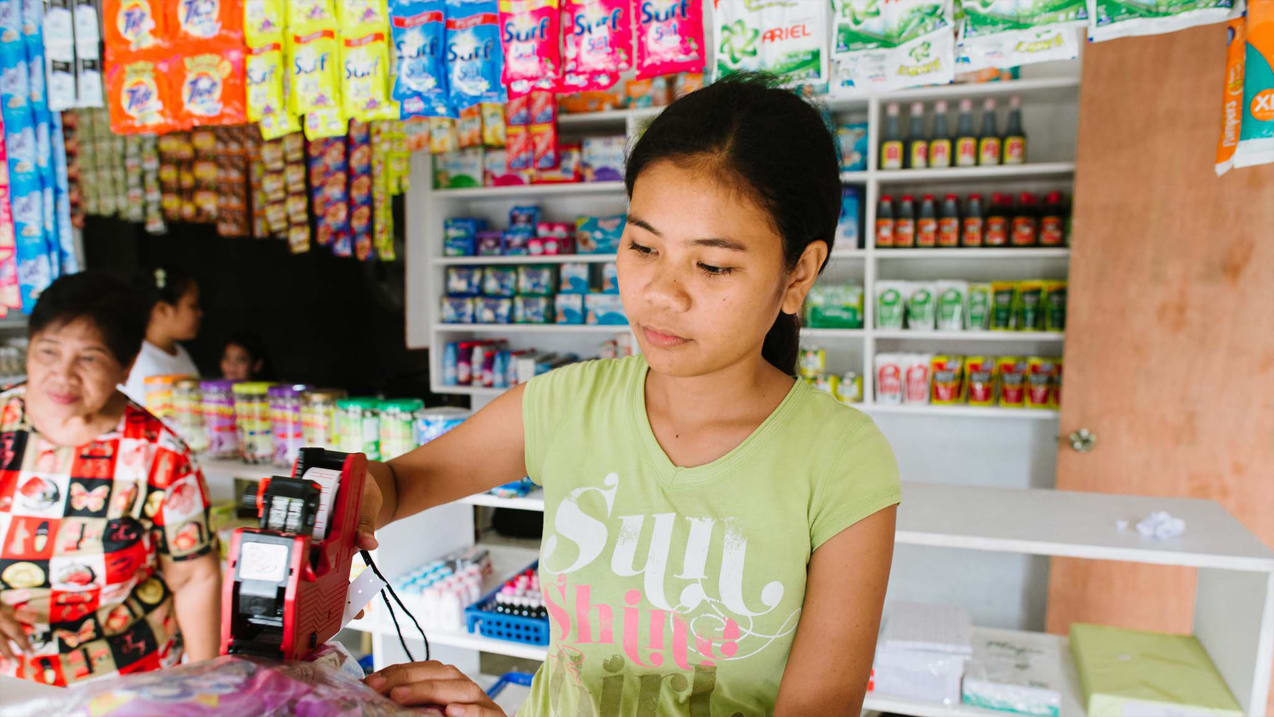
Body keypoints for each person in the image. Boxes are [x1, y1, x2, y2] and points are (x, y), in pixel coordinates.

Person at [357, 74, 901, 716]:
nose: (662, 293)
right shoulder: (565, 406)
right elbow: (401, 484)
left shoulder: (841, 460)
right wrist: (351, 502)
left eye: (713, 266)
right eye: (643, 246)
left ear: (798, 273)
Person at [0, 272, 220, 685]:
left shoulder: (159, 454)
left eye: (89, 358)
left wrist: (204, 686)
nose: (62, 375)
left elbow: (194, 576)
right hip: (9, 682)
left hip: (127, 678)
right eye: (48, 352)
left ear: (126, 365)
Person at [121, 267, 202, 405]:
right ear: (162, 310)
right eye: (193, 306)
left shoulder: (179, 352)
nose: (200, 313)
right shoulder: (139, 363)